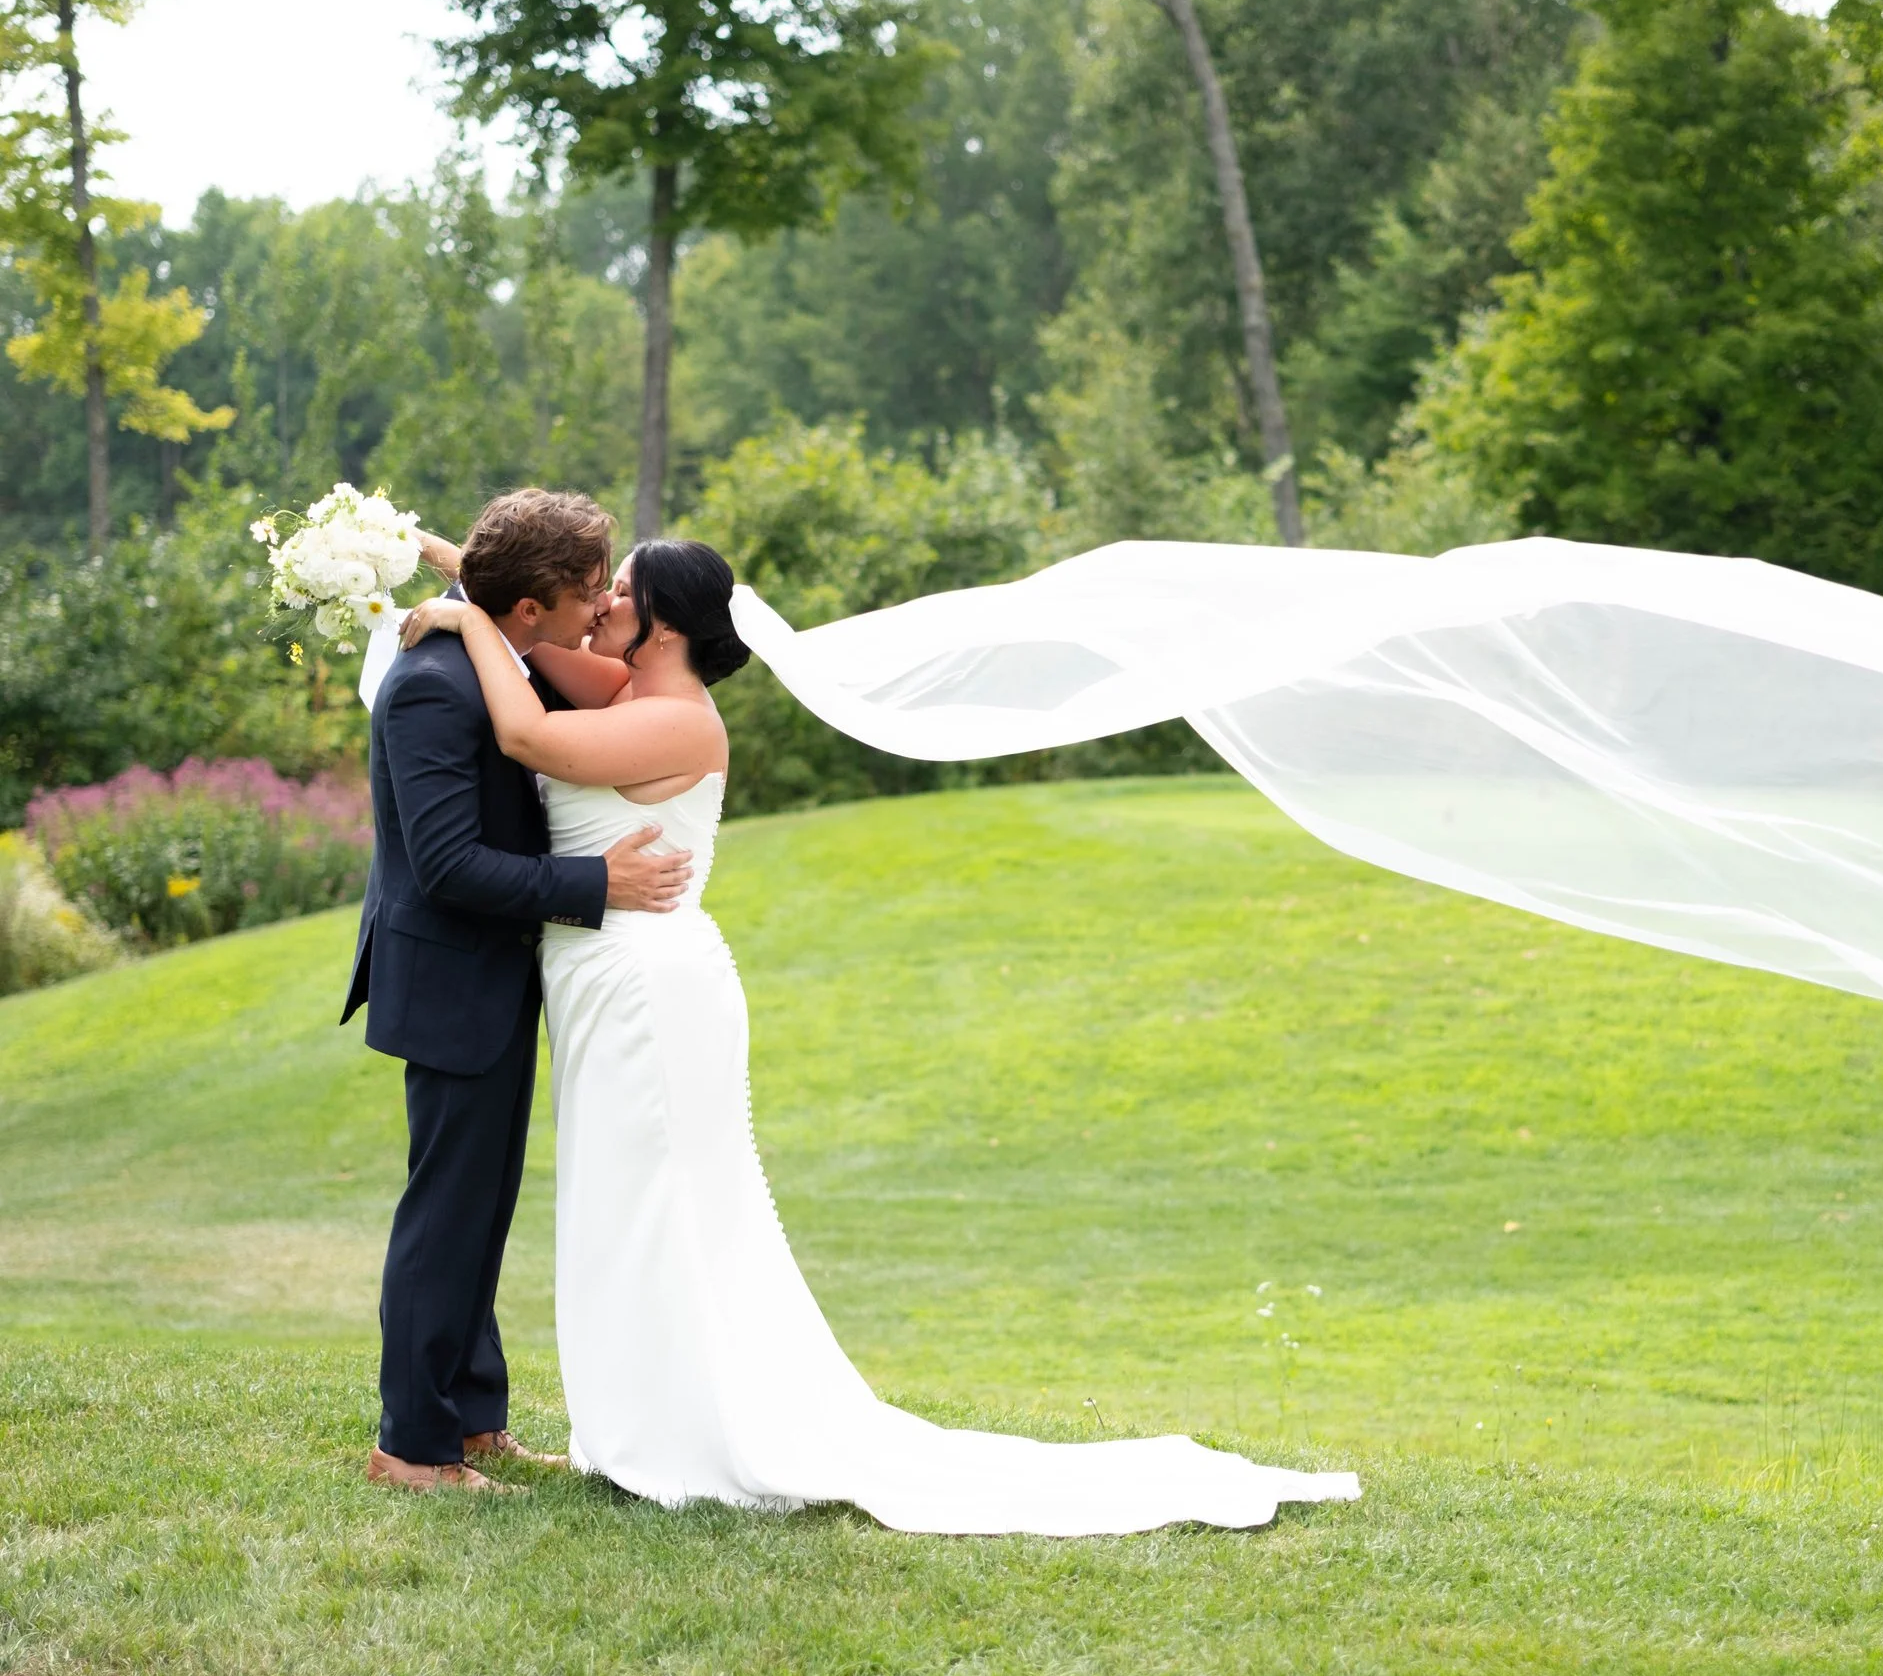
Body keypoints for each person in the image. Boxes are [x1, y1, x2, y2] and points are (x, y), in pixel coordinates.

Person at [392, 534, 1358, 1532]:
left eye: (619, 593)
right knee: (626, 1205)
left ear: (664, 624)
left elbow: (529, 740)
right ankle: (644, 1416)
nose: (596, 606)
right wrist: (459, 568)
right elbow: (534, 632)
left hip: (649, 990)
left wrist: (464, 616)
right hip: (609, 979)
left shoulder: (678, 721)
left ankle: (684, 1431)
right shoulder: (621, 683)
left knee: (667, 1207)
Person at [346, 489, 691, 1495]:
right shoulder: (431, 685)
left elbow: (502, 604)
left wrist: (460, 578)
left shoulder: (497, 649)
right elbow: (449, 866)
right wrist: (599, 885)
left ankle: (473, 1419)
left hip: (494, 976)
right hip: (449, 977)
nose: (600, 605)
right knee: (445, 1213)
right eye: (586, 590)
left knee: (482, 1206)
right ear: (530, 608)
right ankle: (410, 1447)